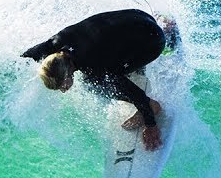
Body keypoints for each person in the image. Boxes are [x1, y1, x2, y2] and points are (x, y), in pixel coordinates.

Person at [21, 8, 179, 152]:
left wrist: (150, 124)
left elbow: (134, 92)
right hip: (140, 15)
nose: (63, 91)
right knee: (111, 56)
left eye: (61, 86)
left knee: (95, 84)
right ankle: (164, 24)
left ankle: (152, 104)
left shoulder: (93, 67)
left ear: (67, 75)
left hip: (153, 40)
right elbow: (32, 53)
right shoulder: (57, 42)